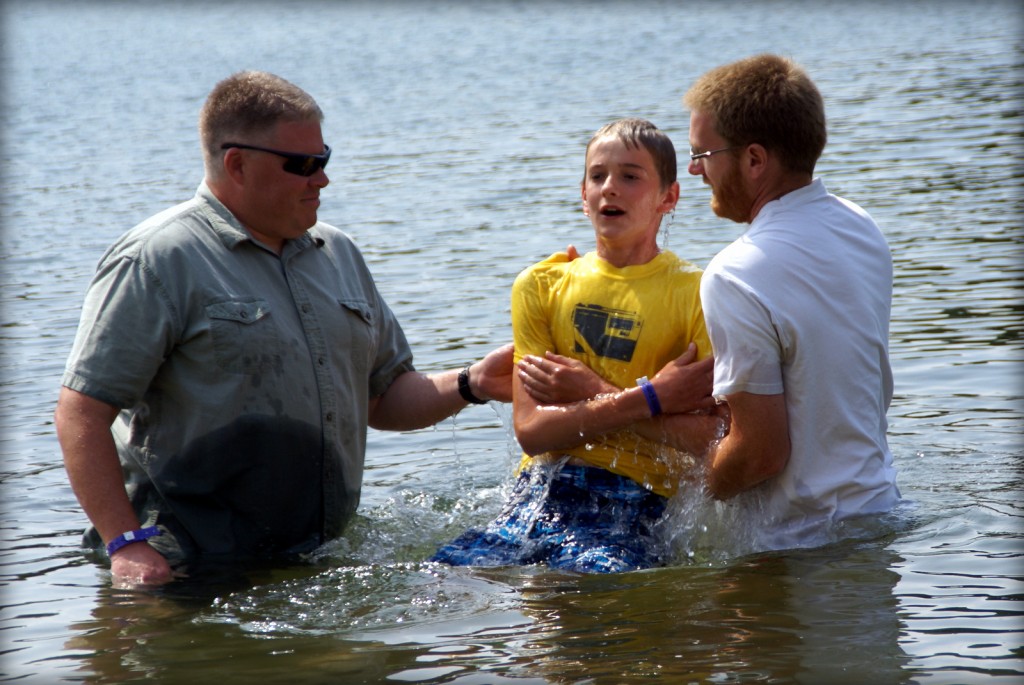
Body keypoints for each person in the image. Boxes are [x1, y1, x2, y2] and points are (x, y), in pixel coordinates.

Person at [54, 71, 513, 587]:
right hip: (183, 569)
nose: (322, 179)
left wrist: (475, 382)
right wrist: (125, 545)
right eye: (303, 165)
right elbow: (83, 413)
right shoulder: (158, 259)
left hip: (313, 562)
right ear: (237, 164)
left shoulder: (338, 253)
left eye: (325, 159)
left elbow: (383, 399)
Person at [431, 118, 724, 573]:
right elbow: (531, 429)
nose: (610, 188)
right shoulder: (541, 285)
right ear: (583, 195)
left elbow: (712, 440)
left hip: (634, 500)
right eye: (597, 176)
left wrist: (592, 391)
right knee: (441, 575)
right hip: (538, 490)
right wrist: (650, 399)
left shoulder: (699, 293)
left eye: (630, 176)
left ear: (668, 197)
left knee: (591, 592)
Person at [682, 54, 900, 548]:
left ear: (755, 159)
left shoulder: (736, 272)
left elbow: (760, 454)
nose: (695, 170)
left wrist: (686, 494)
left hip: (796, 547)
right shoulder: (860, 227)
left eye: (703, 153)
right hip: (878, 513)